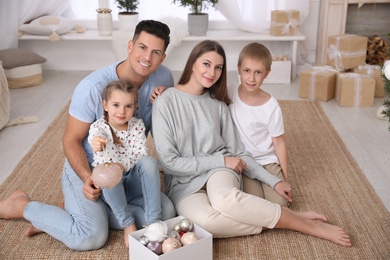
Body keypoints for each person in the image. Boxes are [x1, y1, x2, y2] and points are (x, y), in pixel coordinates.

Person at [151, 40, 351, 247]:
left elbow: (238, 152)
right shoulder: (165, 101)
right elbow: (169, 163)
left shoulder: (218, 104)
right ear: (193, 63)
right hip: (185, 186)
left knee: (225, 200)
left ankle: (310, 227)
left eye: (218, 67)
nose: (212, 72)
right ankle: (289, 219)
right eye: (206, 64)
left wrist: (274, 181)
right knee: (205, 224)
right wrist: (220, 160)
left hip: (220, 171)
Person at [0, 20, 175, 251]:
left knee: (167, 212)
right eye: (142, 47)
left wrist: (170, 96)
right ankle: (22, 206)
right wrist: (86, 178)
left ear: (163, 57)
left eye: (156, 52)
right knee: (91, 237)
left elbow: (162, 125)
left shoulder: (163, 79)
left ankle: (72, 213)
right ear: (130, 46)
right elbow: (71, 140)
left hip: (128, 167)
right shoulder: (92, 87)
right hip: (92, 167)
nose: (147, 57)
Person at [88, 80, 164, 247]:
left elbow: (140, 153)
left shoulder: (137, 125)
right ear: (105, 105)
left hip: (132, 182)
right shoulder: (99, 128)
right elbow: (98, 146)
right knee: (107, 173)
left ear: (135, 107)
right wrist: (96, 142)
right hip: (113, 187)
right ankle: (127, 223)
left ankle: (153, 222)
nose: (121, 111)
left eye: (128, 106)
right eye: (116, 105)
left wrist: (122, 166)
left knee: (149, 162)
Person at [227, 42, 289, 207]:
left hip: (267, 160)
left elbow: (279, 142)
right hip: (244, 161)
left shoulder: (271, 106)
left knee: (281, 203)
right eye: (247, 71)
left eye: (258, 72)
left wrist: (285, 177)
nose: (251, 78)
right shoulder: (229, 92)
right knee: (254, 202)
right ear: (239, 69)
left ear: (267, 74)